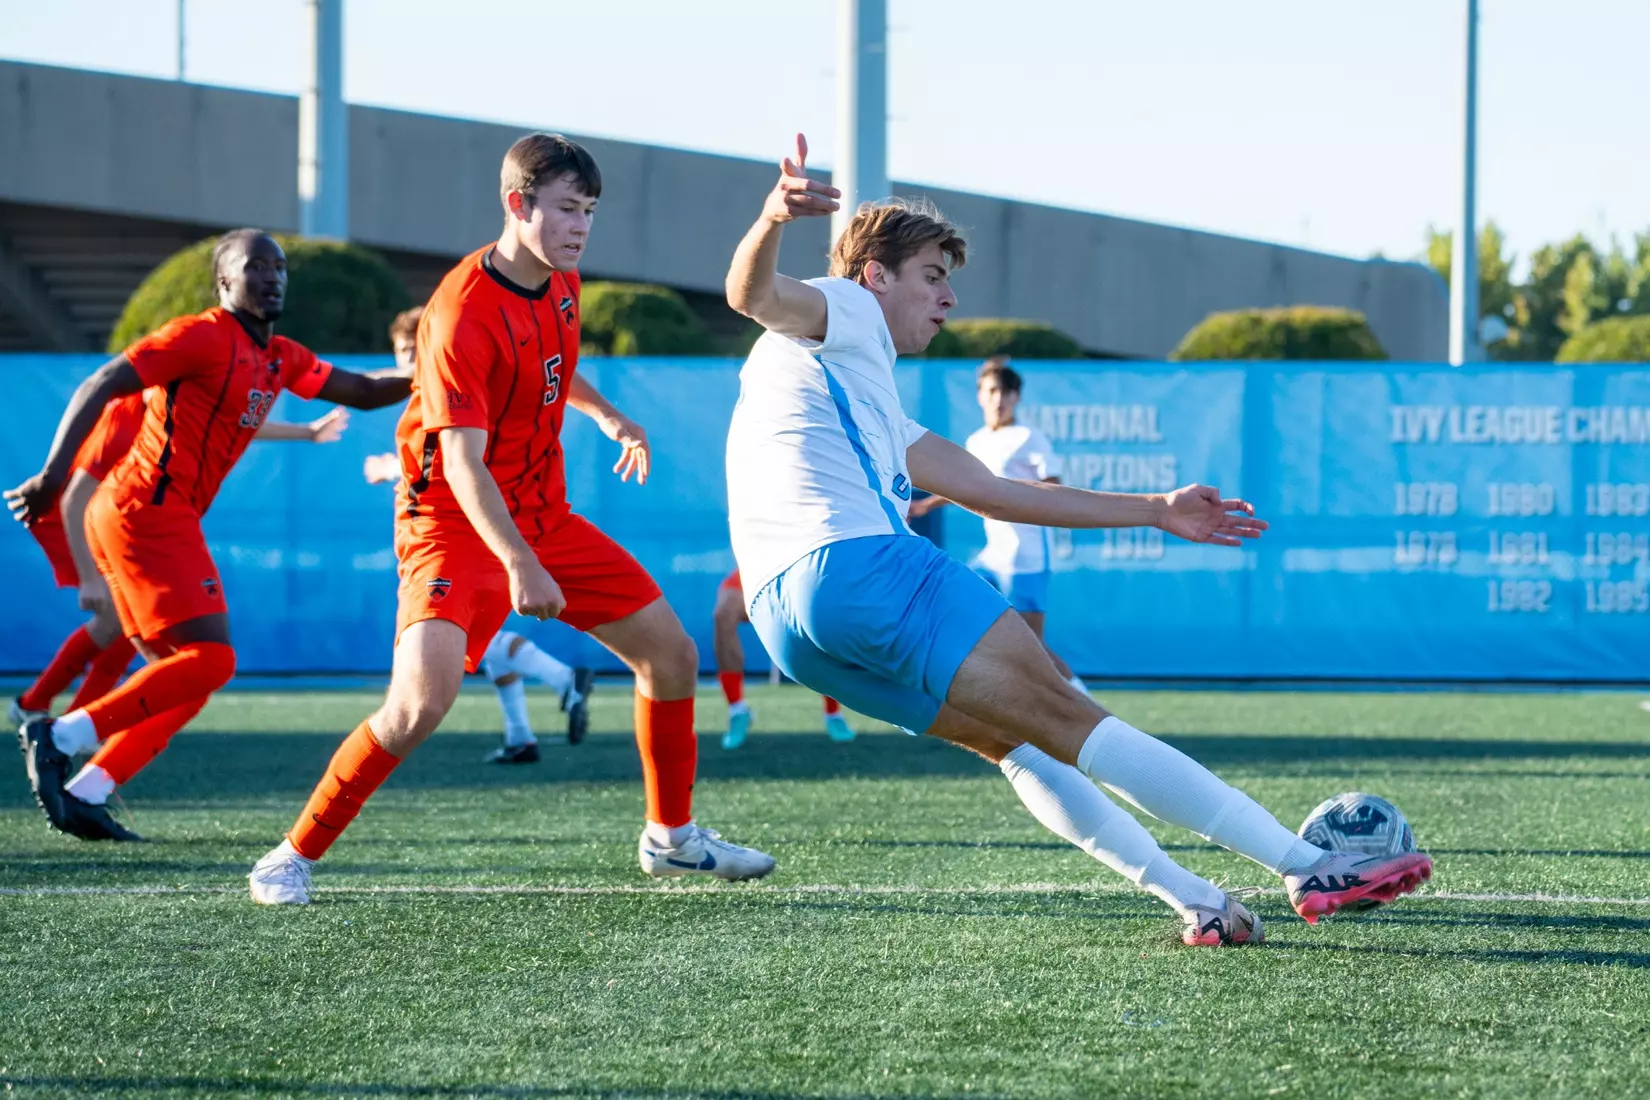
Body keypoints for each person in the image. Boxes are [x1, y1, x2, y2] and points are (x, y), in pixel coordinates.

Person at [721, 134, 1432, 945]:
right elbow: (751, 292)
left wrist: (1155, 509)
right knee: (1070, 713)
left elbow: (1000, 492)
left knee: (1016, 745)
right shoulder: (846, 309)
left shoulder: (861, 393)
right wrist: (773, 218)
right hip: (857, 567)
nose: (949, 296)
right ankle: (1306, 864)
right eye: (932, 275)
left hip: (788, 623)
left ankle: (1196, 900)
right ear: (874, 276)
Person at [248, 134, 773, 905]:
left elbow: (553, 367)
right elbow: (462, 462)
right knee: (418, 706)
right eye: (566, 208)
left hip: (541, 513)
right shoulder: (460, 312)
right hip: (451, 523)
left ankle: (671, 840)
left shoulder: (563, 281)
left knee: (671, 655)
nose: (581, 226)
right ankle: (291, 855)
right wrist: (521, 561)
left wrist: (607, 414)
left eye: (589, 210)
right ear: (516, 204)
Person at [6, 229, 411, 842]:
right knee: (213, 660)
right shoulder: (198, 336)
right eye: (256, 267)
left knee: (188, 682)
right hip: (144, 512)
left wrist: (432, 369)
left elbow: (363, 391)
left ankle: (86, 791)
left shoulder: (280, 356)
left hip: (157, 517)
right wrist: (53, 477)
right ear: (224, 282)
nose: (272, 277)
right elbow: (102, 381)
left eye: (279, 267)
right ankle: (56, 734)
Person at [10, 396, 349, 731]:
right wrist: (88, 578)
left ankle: (67, 723)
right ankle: (45, 712)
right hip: (82, 523)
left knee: (131, 630)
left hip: (123, 524)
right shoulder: (127, 416)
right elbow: (73, 500)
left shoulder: (175, 406)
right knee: (118, 623)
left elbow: (234, 424)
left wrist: (308, 432)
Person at [365, 306, 593, 763]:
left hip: (460, 538)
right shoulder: (429, 390)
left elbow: (453, 463)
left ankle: (562, 678)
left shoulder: (453, 390)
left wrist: (389, 468)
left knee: (440, 667)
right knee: (481, 641)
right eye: (401, 351)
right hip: (456, 535)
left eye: (414, 349)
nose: (407, 360)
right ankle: (521, 734)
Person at [908, 357, 1084, 691]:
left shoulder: (1028, 437)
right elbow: (967, 486)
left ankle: (1086, 703)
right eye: (991, 391)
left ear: (1017, 397)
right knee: (955, 608)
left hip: (1026, 556)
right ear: (980, 396)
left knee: (1034, 648)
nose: (998, 399)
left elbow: (1053, 485)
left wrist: (1012, 495)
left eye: (1006, 392)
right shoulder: (977, 440)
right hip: (992, 557)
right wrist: (925, 505)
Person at [714, 568, 853, 749]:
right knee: (723, 614)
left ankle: (833, 713)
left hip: (799, 565)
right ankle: (737, 709)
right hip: (757, 569)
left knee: (822, 615)